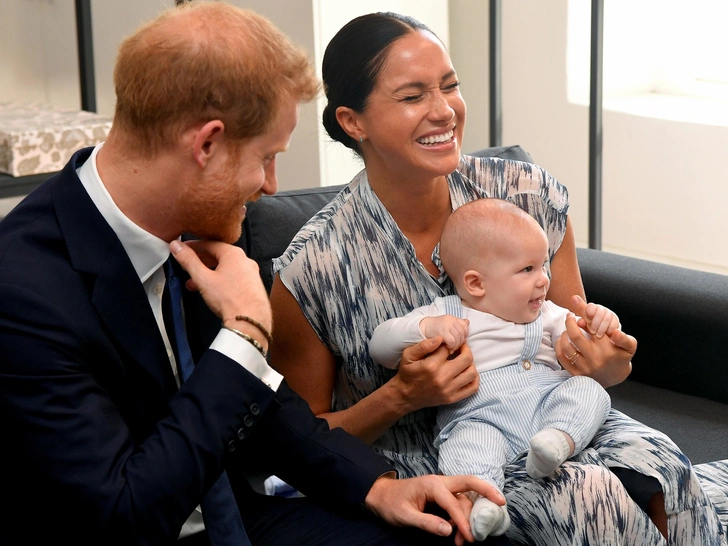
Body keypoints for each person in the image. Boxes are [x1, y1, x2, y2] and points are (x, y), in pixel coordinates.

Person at [0, 3, 508, 545]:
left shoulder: (202, 219)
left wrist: (378, 488)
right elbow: (125, 512)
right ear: (207, 144)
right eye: (266, 157)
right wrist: (244, 335)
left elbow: (266, 410)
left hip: (237, 517)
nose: (270, 185)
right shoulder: (22, 294)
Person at [268, 11, 727, 546]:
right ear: (353, 121)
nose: (444, 111)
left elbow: (578, 338)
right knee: (585, 496)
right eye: (413, 96)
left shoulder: (524, 194)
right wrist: (401, 396)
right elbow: (298, 444)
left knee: (667, 466)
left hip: (562, 418)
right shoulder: (314, 265)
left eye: (450, 86)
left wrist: (607, 361)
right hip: (451, 457)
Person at [369, 198, 618, 541]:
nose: (544, 281)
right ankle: (486, 503)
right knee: (466, 445)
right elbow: (379, 346)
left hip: (547, 405)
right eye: (527, 270)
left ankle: (558, 442)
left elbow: (584, 339)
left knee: (590, 392)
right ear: (476, 284)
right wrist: (425, 328)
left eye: (544, 266)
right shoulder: (448, 313)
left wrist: (602, 322)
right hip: (480, 417)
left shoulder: (546, 314)